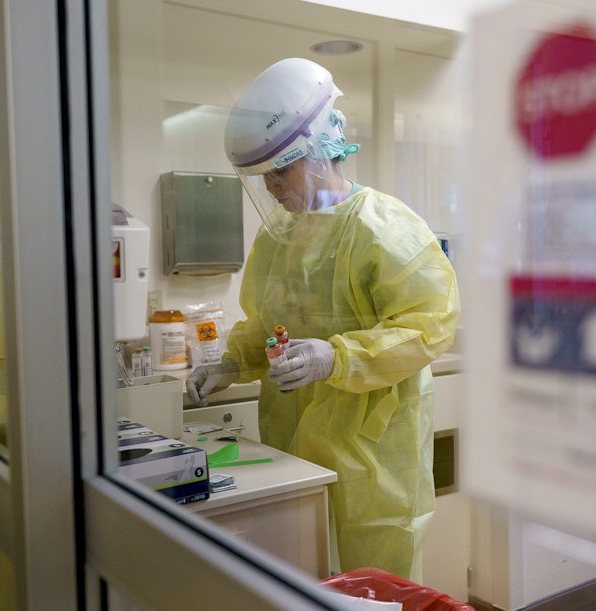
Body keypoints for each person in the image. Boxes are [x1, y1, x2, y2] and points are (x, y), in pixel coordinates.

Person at [186, 57, 460, 582]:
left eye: (280, 170)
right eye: (263, 175)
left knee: (375, 585)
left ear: (316, 155)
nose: (271, 187)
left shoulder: (386, 228)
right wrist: (230, 362)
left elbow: (430, 326)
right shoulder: (277, 238)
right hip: (291, 446)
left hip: (375, 456)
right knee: (301, 574)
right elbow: (265, 324)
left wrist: (335, 356)